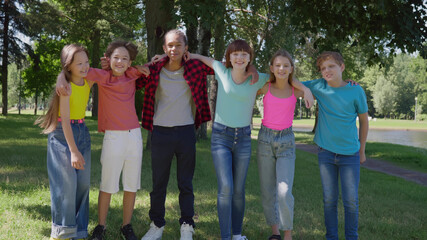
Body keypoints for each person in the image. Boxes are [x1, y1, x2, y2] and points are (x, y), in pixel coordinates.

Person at [186, 41, 313, 240]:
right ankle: (225, 236)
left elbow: (286, 79)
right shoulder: (221, 70)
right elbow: (202, 58)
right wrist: (178, 54)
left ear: (250, 58)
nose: (239, 58)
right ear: (229, 57)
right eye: (235, 54)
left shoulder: (259, 79)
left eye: (244, 54)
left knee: (238, 189)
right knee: (226, 187)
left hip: (244, 138)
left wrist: (306, 90)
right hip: (221, 136)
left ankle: (237, 234)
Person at [57, 40, 150, 240]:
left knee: (131, 185)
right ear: (108, 59)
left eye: (125, 58)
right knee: (107, 184)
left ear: (130, 62)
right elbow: (72, 69)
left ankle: (127, 226)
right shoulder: (101, 75)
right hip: (113, 136)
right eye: (116, 57)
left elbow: (148, 68)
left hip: (134, 135)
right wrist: (59, 79)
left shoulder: (132, 74)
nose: (120, 62)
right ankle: (101, 227)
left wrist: (153, 61)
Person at [136, 29, 214, 240]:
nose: (174, 49)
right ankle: (156, 225)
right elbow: (132, 78)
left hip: (186, 132)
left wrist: (196, 56)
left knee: (185, 183)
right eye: (170, 45)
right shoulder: (154, 69)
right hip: (160, 132)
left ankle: (187, 225)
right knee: (158, 183)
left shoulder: (195, 67)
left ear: (185, 48)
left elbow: (221, 68)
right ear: (163, 48)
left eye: (178, 45)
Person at [302, 51, 369, 240]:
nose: (327, 70)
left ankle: (351, 237)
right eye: (323, 68)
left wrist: (362, 150)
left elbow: (364, 121)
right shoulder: (319, 85)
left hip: (350, 154)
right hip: (326, 153)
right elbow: (292, 82)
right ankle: (331, 237)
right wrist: (306, 90)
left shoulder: (356, 90)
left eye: (331, 66)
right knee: (329, 200)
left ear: (342, 67)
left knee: (351, 201)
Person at [36, 44, 94, 240]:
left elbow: (111, 69)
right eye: (79, 63)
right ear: (68, 66)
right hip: (63, 134)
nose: (85, 66)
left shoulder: (89, 81)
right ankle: (62, 232)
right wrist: (74, 151)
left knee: (84, 183)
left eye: (87, 62)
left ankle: (79, 230)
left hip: (82, 132)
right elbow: (66, 121)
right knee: (66, 184)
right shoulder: (65, 88)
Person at [256, 49, 310, 240]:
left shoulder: (296, 90)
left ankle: (288, 234)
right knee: (267, 190)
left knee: (284, 191)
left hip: (286, 141)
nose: (281, 68)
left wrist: (308, 91)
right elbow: (245, 91)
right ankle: (275, 233)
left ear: (291, 69)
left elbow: (319, 86)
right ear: (271, 68)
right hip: (264, 140)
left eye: (286, 65)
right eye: (277, 65)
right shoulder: (265, 87)